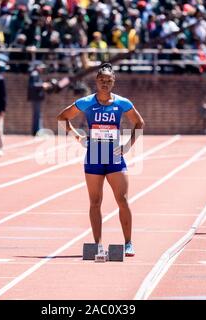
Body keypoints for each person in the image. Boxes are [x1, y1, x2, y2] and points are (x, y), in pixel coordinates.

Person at [57, 63, 145, 256]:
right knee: (95, 202)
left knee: (122, 200)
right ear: (96, 82)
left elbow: (139, 122)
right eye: (102, 80)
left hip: (114, 156)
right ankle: (98, 244)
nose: (105, 83)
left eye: (109, 80)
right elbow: (62, 117)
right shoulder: (87, 102)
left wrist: (128, 145)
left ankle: (128, 243)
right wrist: (77, 135)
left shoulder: (122, 103)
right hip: (94, 157)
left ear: (113, 82)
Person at [27, 62, 52, 136]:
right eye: (41, 67)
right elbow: (32, 85)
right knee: (37, 115)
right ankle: (37, 131)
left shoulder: (36, 73)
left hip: (37, 97)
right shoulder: (34, 73)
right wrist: (42, 85)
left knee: (37, 115)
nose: (42, 69)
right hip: (36, 98)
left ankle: (37, 131)